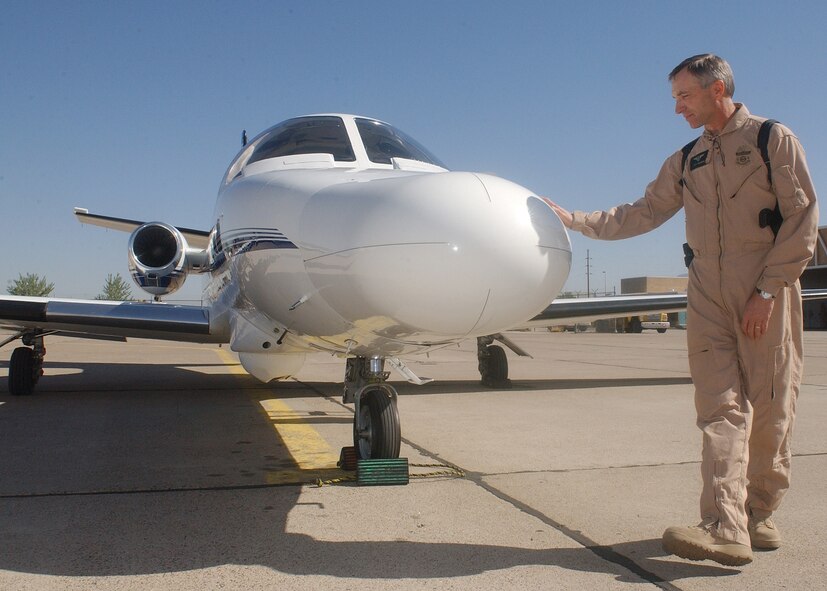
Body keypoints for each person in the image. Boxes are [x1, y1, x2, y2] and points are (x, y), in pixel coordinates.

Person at [548, 54, 819, 567]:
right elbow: (644, 211)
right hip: (707, 297)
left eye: (684, 96)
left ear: (717, 89)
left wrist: (766, 291)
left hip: (766, 291)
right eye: (675, 98)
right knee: (719, 409)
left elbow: (803, 218)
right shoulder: (686, 158)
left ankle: (758, 513)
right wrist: (576, 220)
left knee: (772, 410)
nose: (677, 108)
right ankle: (724, 524)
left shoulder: (770, 140)